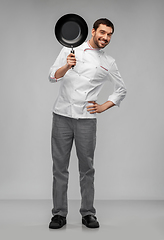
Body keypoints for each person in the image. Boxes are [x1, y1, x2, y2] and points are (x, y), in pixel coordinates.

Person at [48, 18, 126, 229]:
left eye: (109, 34)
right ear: (92, 31)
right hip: (62, 115)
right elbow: (52, 76)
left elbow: (121, 89)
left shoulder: (108, 62)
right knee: (60, 169)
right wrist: (67, 66)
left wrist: (104, 106)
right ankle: (59, 214)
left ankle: (88, 213)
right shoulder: (69, 47)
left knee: (87, 169)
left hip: (86, 120)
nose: (105, 38)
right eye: (102, 32)